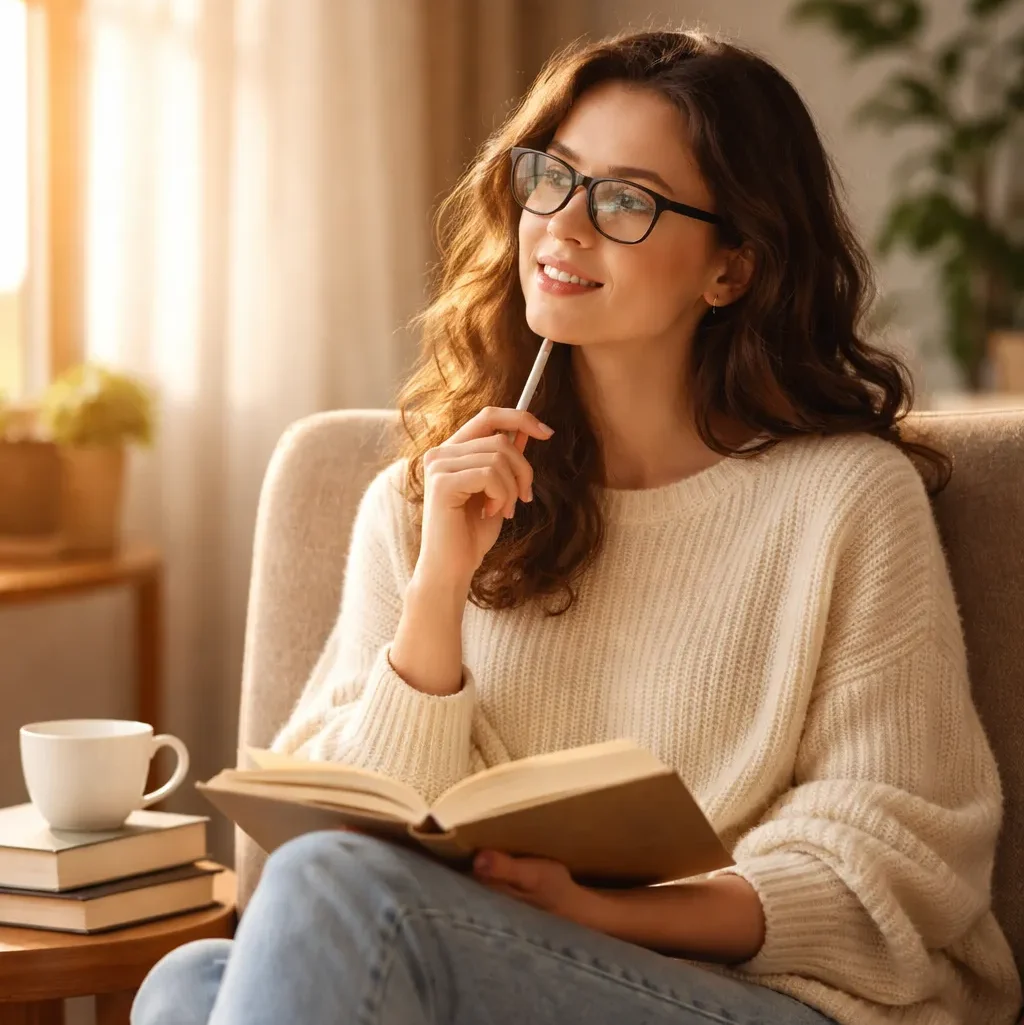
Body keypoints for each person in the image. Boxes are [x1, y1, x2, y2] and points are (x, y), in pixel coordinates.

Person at [131, 27, 1021, 1025]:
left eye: (627, 200)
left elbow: (890, 854)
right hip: (494, 971)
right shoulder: (428, 498)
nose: (563, 224)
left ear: (729, 269)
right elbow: (335, 832)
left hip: (766, 996)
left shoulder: (842, 499)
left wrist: (605, 911)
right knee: (187, 983)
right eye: (553, 177)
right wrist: (436, 593)